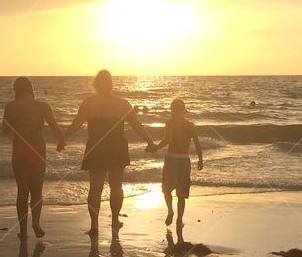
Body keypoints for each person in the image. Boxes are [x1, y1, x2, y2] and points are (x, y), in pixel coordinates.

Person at [64, 70, 156, 236]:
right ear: (111, 84)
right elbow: (137, 125)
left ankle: (94, 226)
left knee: (95, 189)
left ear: (96, 84)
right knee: (116, 187)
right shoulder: (122, 103)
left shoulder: (89, 103)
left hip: (97, 148)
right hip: (116, 148)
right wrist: (150, 141)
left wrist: (63, 138)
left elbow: (76, 123)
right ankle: (114, 221)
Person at [2, 76, 65, 239]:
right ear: (31, 89)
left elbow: (5, 130)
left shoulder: (10, 106)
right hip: (38, 151)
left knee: (22, 192)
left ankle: (23, 231)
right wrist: (61, 141)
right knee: (37, 191)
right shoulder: (43, 106)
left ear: (16, 90)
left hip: (20, 152)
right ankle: (36, 223)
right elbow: (56, 128)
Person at [151, 98, 204, 231]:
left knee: (167, 190)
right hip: (184, 161)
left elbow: (168, 140)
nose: (174, 112)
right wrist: (200, 159)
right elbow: (197, 143)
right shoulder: (189, 125)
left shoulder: (170, 123)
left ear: (174, 110)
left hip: (172, 160)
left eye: (173, 110)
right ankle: (178, 218)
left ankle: (172, 212)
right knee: (181, 194)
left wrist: (156, 147)